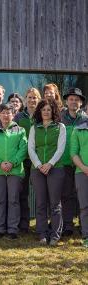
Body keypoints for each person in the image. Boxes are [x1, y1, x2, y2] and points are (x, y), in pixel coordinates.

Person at [28, 99, 66, 246]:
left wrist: (50, 164)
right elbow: (31, 148)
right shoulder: (34, 128)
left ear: (53, 111)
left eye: (49, 110)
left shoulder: (60, 127)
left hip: (56, 168)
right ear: (39, 111)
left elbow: (60, 148)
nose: (46, 112)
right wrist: (38, 165)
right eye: (43, 109)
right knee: (41, 203)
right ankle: (42, 234)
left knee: (55, 204)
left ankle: (55, 235)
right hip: (37, 170)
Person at [0, 103, 27, 239]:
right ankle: (0, 229)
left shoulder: (20, 130)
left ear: (13, 114)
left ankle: (12, 230)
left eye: (8, 113)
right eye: (3, 112)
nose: (6, 115)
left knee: (13, 200)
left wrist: (13, 163)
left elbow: (23, 149)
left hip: (15, 171)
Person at [14, 87, 41, 232]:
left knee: (41, 193)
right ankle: (23, 223)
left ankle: (41, 223)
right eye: (29, 97)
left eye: (35, 97)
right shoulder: (18, 117)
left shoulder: (42, 116)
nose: (32, 100)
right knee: (22, 193)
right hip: (24, 160)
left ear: (39, 100)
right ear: (25, 100)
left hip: (39, 160)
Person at [60, 88, 87, 236]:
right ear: (66, 101)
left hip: (81, 163)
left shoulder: (85, 119)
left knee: (82, 195)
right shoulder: (60, 118)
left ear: (81, 102)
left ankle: (84, 225)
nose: (74, 102)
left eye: (77, 99)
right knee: (67, 194)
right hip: (64, 162)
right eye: (71, 99)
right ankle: (68, 225)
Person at [71, 116, 88, 248]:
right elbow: (73, 152)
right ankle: (86, 235)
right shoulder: (78, 130)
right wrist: (83, 168)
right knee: (84, 206)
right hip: (82, 172)